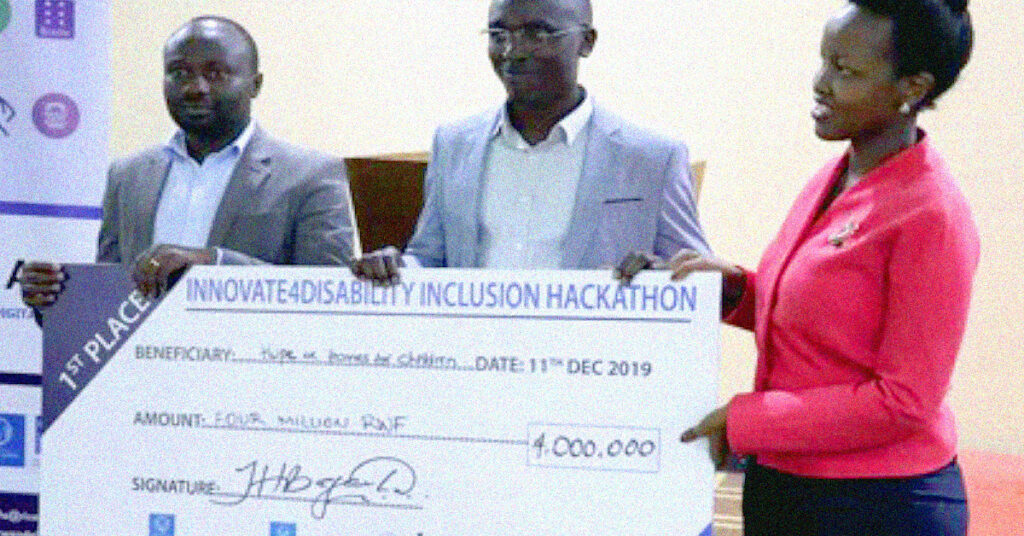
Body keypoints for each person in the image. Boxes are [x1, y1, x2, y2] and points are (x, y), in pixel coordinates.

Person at [621, 1, 976, 534]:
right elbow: (824, 319)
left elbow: (903, 401)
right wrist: (731, 290)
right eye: (824, 61)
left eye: (846, 70)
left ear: (912, 88)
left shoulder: (931, 214)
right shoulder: (839, 175)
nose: (820, 83)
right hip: (787, 484)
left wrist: (747, 419)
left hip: (878, 504)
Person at [350, 0, 708, 282]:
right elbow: (431, 258)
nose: (513, 50)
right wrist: (398, 267)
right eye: (498, 34)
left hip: (590, 353)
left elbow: (697, 277)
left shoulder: (652, 159)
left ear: (587, 42)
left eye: (537, 33)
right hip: (476, 351)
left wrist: (660, 277)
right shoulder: (454, 145)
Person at [19, 16, 356, 304]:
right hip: (145, 360)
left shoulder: (311, 175)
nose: (195, 88)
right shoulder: (128, 175)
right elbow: (109, 299)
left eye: (216, 73)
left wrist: (213, 263)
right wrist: (54, 298)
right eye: (179, 72)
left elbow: (329, 297)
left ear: (255, 85)